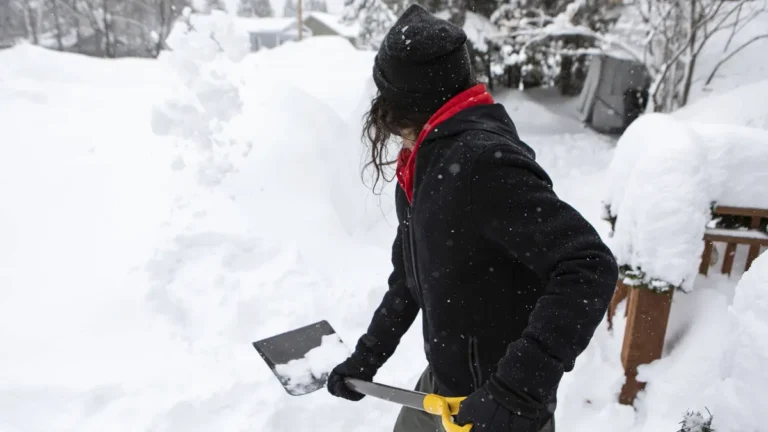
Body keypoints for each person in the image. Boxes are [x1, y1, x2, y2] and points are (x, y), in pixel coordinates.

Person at [326, 5, 618, 432]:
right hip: (445, 387)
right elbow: (409, 276)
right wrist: (368, 355)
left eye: (389, 102)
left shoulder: (482, 164)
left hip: (499, 407)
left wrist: (517, 388)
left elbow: (588, 265)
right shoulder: (423, 162)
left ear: (412, 102)